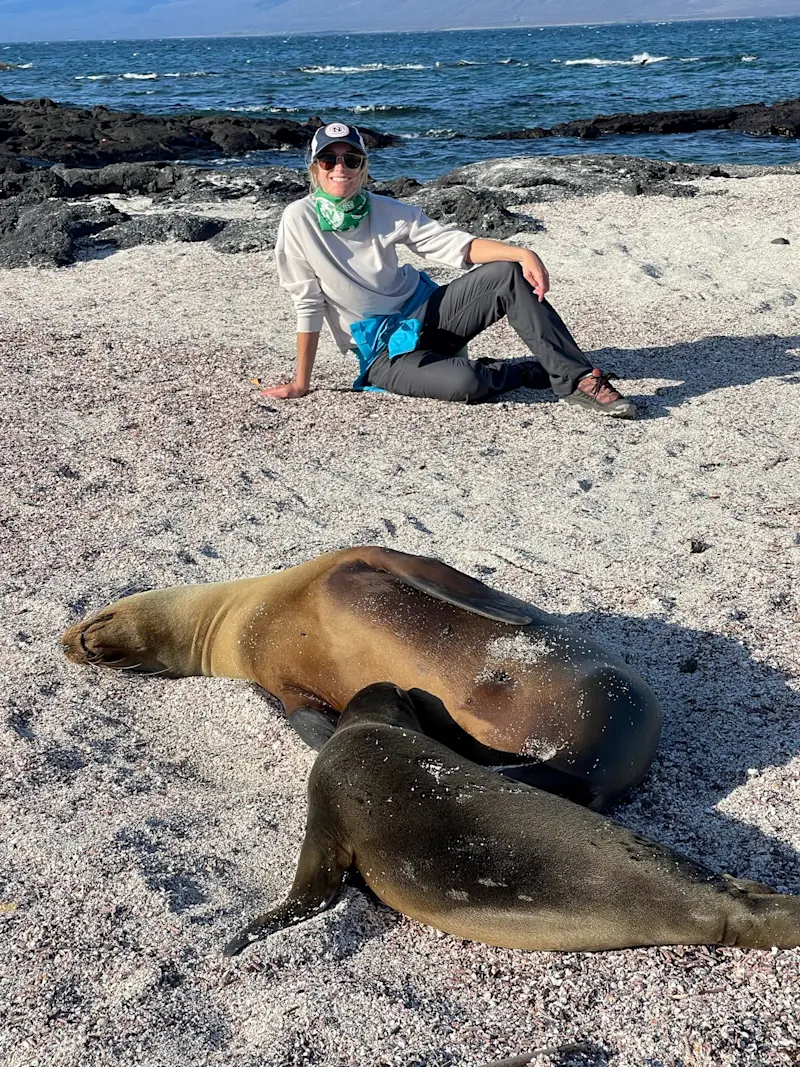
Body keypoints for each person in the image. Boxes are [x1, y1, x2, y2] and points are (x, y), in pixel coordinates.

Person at [263, 121, 636, 419]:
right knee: (467, 383)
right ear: (315, 169)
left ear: (364, 168)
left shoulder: (386, 208)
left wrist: (522, 252)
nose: (340, 168)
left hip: (426, 316)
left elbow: (456, 246)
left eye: (351, 159)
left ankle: (576, 379)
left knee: (506, 271)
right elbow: (307, 302)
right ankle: (518, 372)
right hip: (381, 352)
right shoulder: (299, 218)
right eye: (329, 160)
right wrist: (301, 384)